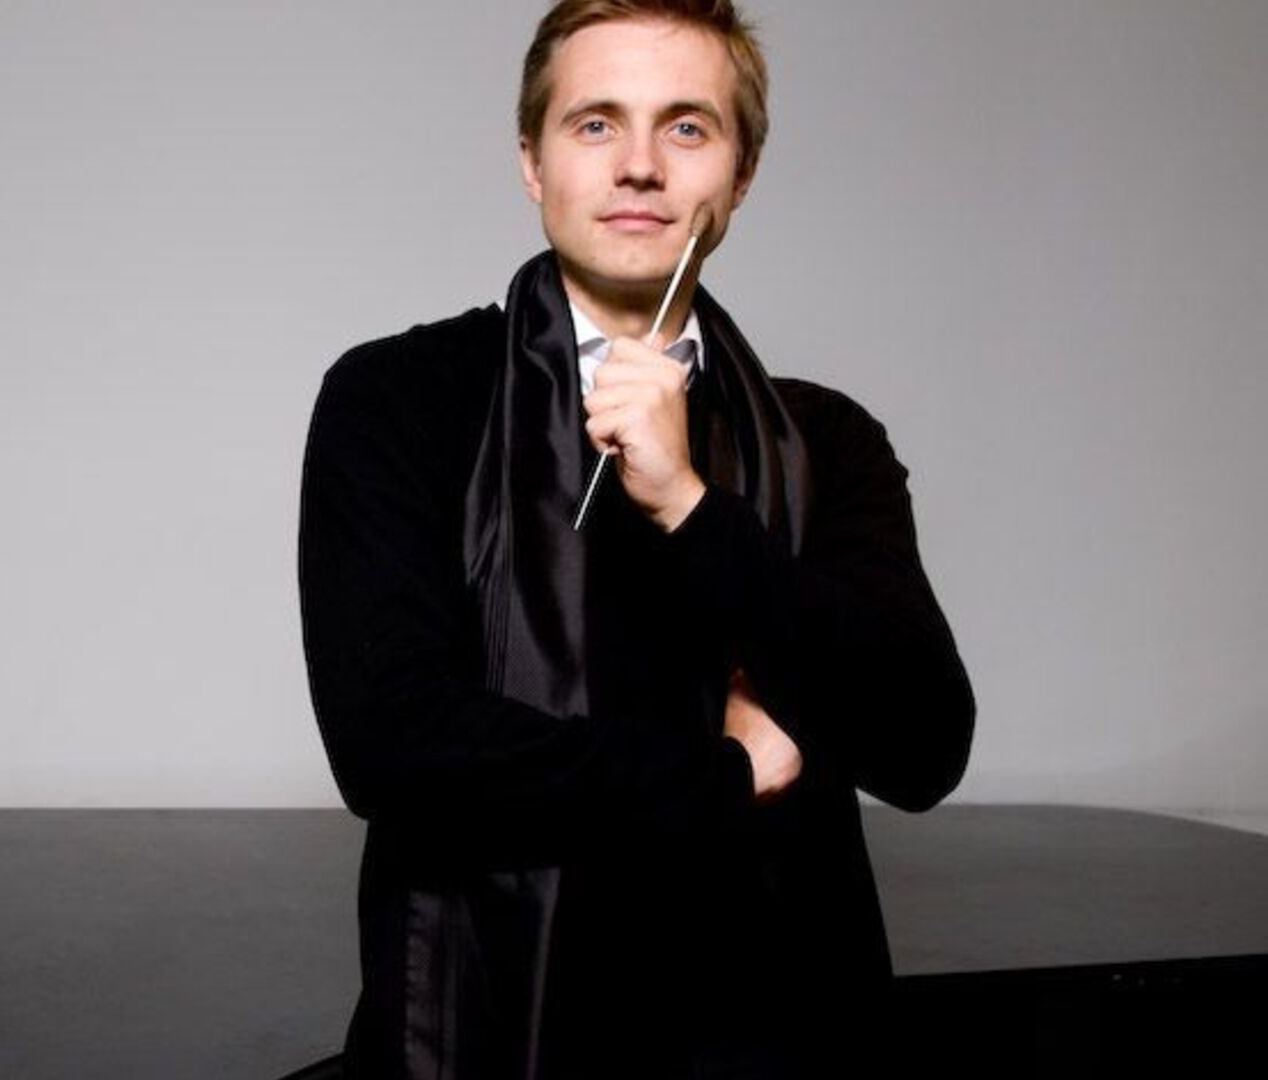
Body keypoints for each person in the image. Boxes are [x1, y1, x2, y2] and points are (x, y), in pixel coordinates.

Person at [296, 1, 975, 1076]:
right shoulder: (399, 399)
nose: (641, 166)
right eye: (596, 123)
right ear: (533, 161)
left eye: (687, 127)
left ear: (741, 175)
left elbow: (922, 742)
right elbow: (393, 745)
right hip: (480, 1039)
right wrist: (723, 775)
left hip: (763, 1037)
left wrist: (690, 504)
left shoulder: (824, 440)